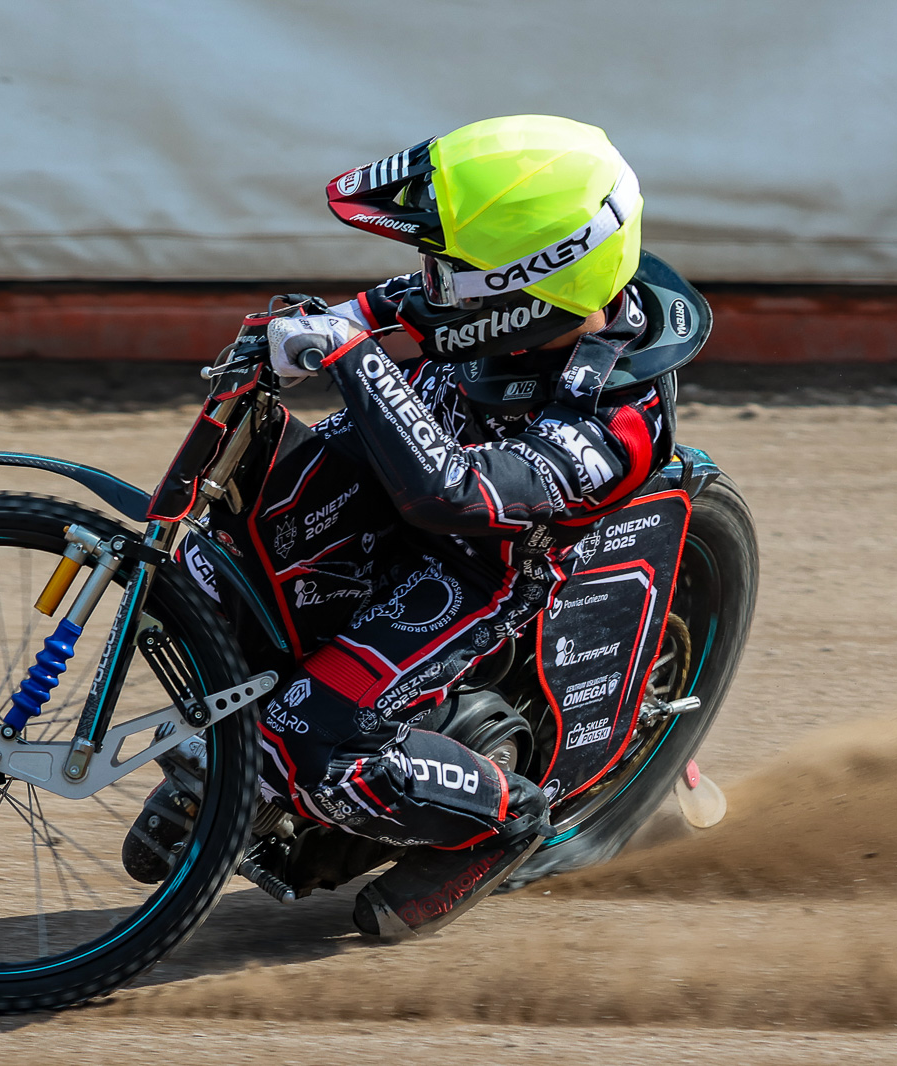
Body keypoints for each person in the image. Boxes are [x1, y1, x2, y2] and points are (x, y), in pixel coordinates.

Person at [222, 115, 669, 940]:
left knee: (306, 744)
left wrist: (351, 356)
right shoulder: (498, 300)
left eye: (450, 273)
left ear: (528, 287)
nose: (430, 287)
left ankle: (503, 821)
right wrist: (298, 335)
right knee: (222, 569)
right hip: (385, 478)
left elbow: (457, 498)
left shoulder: (621, 422)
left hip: (471, 569)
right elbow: (379, 309)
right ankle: (225, 768)